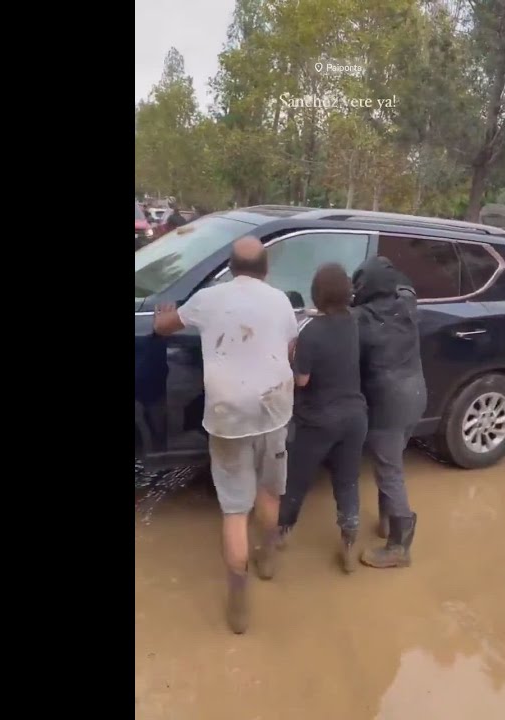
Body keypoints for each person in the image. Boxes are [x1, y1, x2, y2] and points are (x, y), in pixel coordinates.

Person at [153, 236, 298, 634]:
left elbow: (164, 326)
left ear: (231, 268)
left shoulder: (208, 299)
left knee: (236, 509)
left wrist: (161, 316)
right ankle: (267, 557)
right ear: (265, 269)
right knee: (270, 492)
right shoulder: (281, 300)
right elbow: (289, 349)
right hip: (273, 410)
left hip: (226, 416)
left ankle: (238, 597)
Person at [276, 264, 368, 572]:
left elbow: (301, 380)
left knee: (296, 481)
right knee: (346, 481)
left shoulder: (312, 330)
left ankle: (280, 536)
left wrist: (292, 357)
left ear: (317, 293)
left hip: (318, 419)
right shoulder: (354, 322)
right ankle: (349, 540)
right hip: (355, 416)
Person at [350, 256, 426, 569]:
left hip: (387, 403)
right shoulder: (407, 305)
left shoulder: (359, 319)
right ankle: (386, 522)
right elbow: (407, 285)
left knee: (389, 470)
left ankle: (399, 546)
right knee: (392, 461)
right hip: (417, 396)